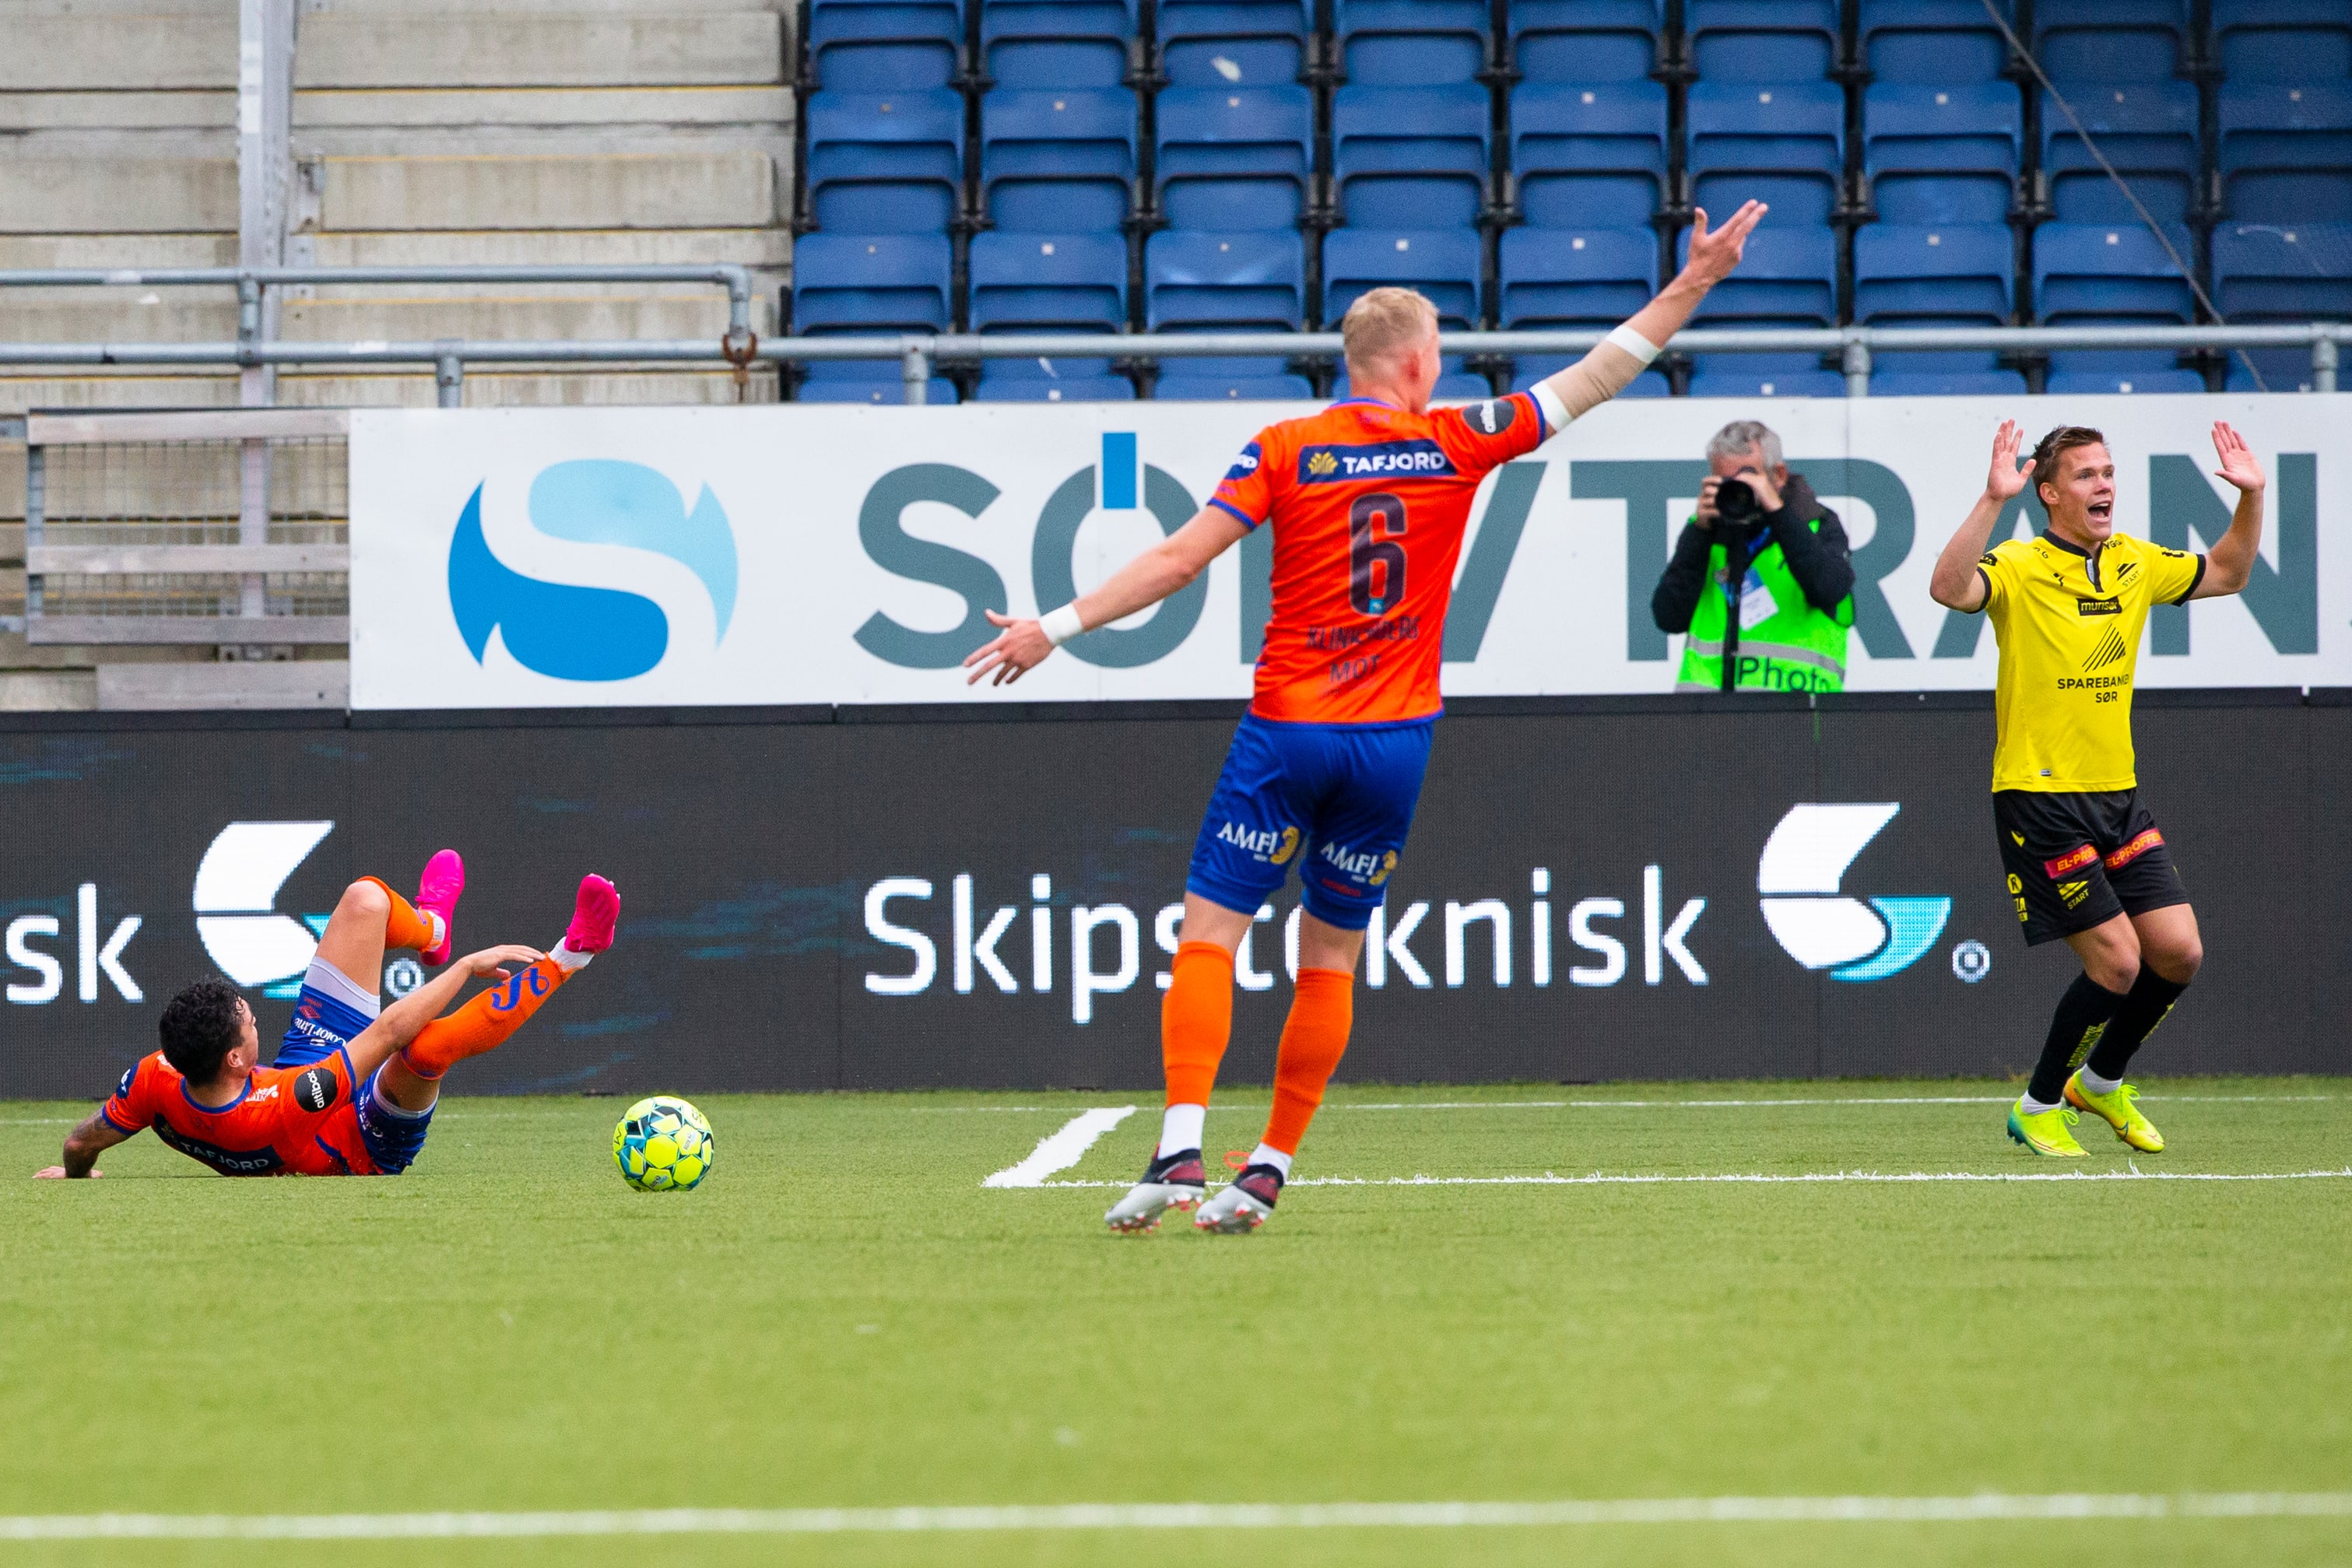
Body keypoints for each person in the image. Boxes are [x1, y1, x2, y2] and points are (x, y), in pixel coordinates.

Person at [964, 200, 1768, 1232]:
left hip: (1287, 730)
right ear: (1418, 363)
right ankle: (1267, 1166)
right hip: (1393, 744)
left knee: (1209, 937)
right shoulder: (1457, 438)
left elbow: (1176, 561)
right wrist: (1696, 278)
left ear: (1352, 363)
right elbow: (1601, 372)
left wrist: (1054, 626)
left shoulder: (1285, 446)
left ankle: (1178, 1147)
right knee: (1330, 955)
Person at [1927, 420, 2267, 1157]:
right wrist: (1993, 498)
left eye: (2108, 472)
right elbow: (1948, 588)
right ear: (2050, 494)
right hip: (2039, 796)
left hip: (2117, 795)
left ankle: (2102, 1081)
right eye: (2086, 475)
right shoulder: (2020, 564)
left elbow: (2230, 573)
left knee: (2178, 952)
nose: (2104, 484)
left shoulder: (2134, 562)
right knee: (2116, 962)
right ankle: (2038, 1103)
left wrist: (2252, 496)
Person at [37, 856, 620, 1179]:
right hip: (359, 1141)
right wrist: (467, 967)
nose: (253, 1016)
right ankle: (573, 954)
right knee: (425, 1049)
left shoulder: (154, 1077)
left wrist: (76, 1173)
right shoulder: (284, 1105)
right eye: (247, 1020)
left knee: (365, 899)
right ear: (235, 1058)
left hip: (301, 1067)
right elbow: (391, 1030)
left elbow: (81, 1141)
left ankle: (433, 928)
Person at [1652, 419, 1855, 693]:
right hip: (1706, 711)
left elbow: (1830, 588)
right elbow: (1668, 617)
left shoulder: (1818, 524)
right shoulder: (1706, 532)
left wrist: (1777, 511)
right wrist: (1698, 532)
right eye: (1726, 483)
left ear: (1778, 475)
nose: (1738, 492)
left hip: (1795, 708)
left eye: (1747, 480)